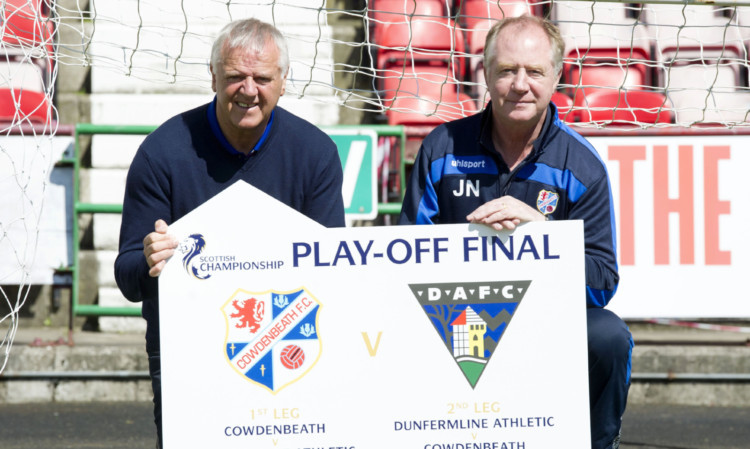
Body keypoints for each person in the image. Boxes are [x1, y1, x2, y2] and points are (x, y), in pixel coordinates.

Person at [399, 15, 632, 449]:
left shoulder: (582, 166)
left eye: (535, 71)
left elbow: (602, 281)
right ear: (485, 74)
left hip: (545, 315)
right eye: (506, 70)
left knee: (608, 336)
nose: (520, 84)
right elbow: (405, 255)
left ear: (557, 76)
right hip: (452, 314)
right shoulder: (441, 148)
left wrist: (544, 235)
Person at [114, 18, 345, 447]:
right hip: (187, 356)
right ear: (213, 75)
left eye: (262, 77)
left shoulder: (316, 154)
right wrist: (148, 259)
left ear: (284, 80)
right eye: (236, 76)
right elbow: (126, 276)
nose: (249, 89)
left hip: (290, 352)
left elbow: (332, 271)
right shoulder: (161, 153)